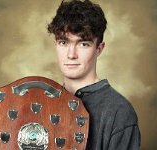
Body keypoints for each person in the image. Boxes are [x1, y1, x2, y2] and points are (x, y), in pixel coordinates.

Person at [47, 0, 141, 149]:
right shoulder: (44, 103)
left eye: (83, 44)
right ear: (55, 45)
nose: (71, 55)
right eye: (63, 42)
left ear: (99, 49)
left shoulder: (119, 113)